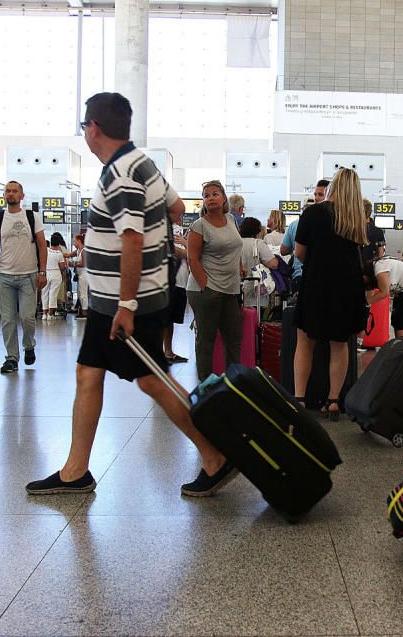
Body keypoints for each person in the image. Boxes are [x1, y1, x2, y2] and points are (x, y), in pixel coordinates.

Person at [26, 91, 237, 498]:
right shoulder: (143, 162)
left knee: (153, 380)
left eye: (84, 126)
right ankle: (75, 470)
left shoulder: (120, 172)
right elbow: (175, 208)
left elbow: (132, 240)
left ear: (94, 129)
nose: (85, 133)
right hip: (118, 298)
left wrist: (126, 304)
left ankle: (214, 457)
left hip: (126, 302)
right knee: (89, 374)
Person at [293, 167, 368, 417]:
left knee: (305, 341)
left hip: (316, 282)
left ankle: (300, 399)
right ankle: (334, 400)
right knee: (339, 343)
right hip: (348, 287)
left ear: (332, 186)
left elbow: (299, 253)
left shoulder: (313, 212)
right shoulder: (355, 218)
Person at [0, 180, 49, 374]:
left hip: (28, 275)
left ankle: (29, 345)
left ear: (22, 196)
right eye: (7, 191)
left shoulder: (32, 217)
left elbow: (41, 245)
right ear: (4, 196)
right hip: (5, 276)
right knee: (7, 320)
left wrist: (42, 271)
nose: (10, 194)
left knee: (27, 317)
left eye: (14, 191)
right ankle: (11, 358)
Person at [186, 180, 245, 381]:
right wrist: (205, 286)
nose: (210, 198)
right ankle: (205, 384)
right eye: (206, 195)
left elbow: (234, 246)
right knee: (206, 340)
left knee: (234, 339)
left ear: (223, 198)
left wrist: (239, 266)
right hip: (206, 290)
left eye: (214, 194)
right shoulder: (199, 225)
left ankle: (232, 382)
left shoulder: (231, 220)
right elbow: (192, 258)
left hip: (230, 289)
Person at [364, 257, 403, 338]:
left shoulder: (379, 268)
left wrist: (365, 303)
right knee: (396, 321)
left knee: (401, 322)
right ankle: (401, 346)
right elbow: (370, 295)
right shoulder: (374, 272)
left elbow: (384, 293)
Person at [281, 180, 329, 281]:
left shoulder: (295, 224)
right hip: (318, 274)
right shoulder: (334, 222)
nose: (316, 198)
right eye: (315, 194)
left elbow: (287, 251)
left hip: (302, 274)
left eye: (320, 195)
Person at [163, 224, 188, 363]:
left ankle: (168, 352)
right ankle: (158, 354)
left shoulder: (179, 230)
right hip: (167, 282)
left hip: (179, 282)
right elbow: (171, 250)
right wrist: (186, 250)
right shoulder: (160, 227)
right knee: (163, 319)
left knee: (170, 319)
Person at [42, 232, 69, 320]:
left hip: (46, 273)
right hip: (56, 274)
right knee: (53, 294)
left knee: (44, 293)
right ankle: (50, 314)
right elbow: (62, 266)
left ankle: (44, 314)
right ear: (59, 244)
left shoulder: (45, 251)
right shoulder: (59, 253)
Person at [361, 198, 386, 263]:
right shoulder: (379, 231)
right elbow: (381, 255)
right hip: (372, 267)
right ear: (370, 212)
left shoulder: (352, 230)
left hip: (355, 267)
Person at [72, 233, 88, 319]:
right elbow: (69, 255)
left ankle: (85, 312)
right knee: (80, 293)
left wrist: (74, 264)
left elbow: (84, 263)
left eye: (75, 241)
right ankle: (82, 310)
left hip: (84, 275)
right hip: (80, 275)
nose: (74, 243)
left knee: (83, 293)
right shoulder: (78, 251)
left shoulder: (84, 251)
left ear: (79, 241)